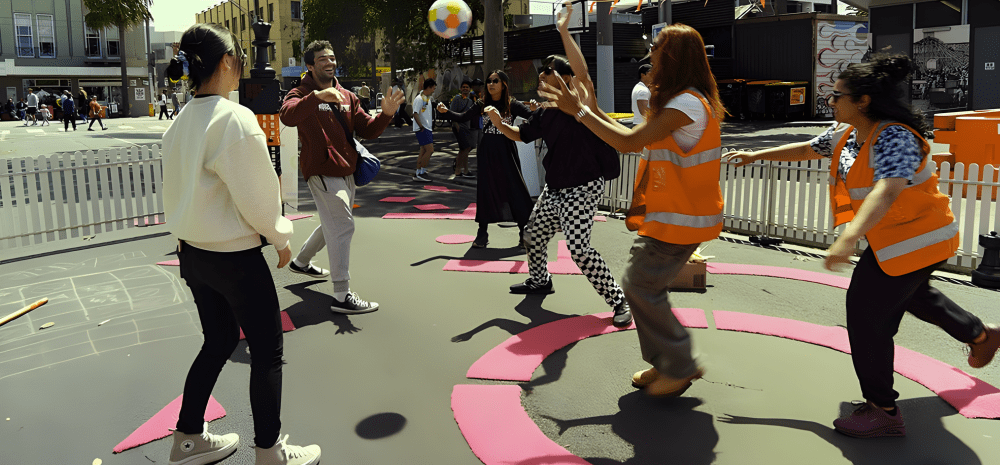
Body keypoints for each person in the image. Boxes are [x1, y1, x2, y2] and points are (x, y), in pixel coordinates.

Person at [723, 54, 1000, 438]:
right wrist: (756, 154)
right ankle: (982, 335)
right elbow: (807, 149)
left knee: (867, 316)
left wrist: (848, 237)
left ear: (863, 100)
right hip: (897, 242)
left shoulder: (894, 137)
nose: (830, 102)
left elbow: (887, 191)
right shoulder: (848, 133)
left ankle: (883, 410)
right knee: (916, 296)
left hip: (917, 241)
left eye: (837, 96)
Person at [161, 24, 322, 465]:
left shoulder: (178, 123)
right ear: (228, 61)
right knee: (267, 350)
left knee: (217, 341)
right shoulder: (234, 118)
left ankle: (188, 439)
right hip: (235, 257)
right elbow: (259, 195)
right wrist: (281, 237)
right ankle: (269, 451)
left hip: (192, 253)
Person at [488, 58, 632, 326]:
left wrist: (566, 33)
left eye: (547, 71)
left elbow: (582, 73)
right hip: (554, 188)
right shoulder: (546, 112)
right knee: (532, 235)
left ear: (566, 79)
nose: (540, 75)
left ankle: (618, 300)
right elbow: (522, 134)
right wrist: (499, 124)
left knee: (579, 248)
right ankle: (540, 280)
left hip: (583, 188)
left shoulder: (582, 104)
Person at [279, 40, 405, 314]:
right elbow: (287, 116)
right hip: (322, 172)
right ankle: (341, 294)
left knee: (332, 223)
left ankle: (301, 262)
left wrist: (385, 115)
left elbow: (367, 130)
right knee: (343, 225)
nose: (329, 62)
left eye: (332, 57)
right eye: (322, 59)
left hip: (348, 171)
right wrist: (315, 98)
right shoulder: (300, 92)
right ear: (310, 66)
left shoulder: (347, 96)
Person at [437, 71, 535, 249]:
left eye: (495, 81)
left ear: (503, 84)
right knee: (485, 190)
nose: (491, 84)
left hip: (507, 150)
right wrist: (446, 112)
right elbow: (463, 117)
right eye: (488, 81)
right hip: (487, 151)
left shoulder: (512, 103)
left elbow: (532, 117)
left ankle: (523, 233)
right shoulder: (482, 103)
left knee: (515, 189)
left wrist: (531, 116)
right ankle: (482, 233)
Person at [446, 80, 476, 178]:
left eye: (467, 87)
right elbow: (451, 113)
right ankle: (464, 171)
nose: (465, 89)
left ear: (470, 89)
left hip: (467, 127)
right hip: (458, 127)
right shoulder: (457, 99)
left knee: (466, 148)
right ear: (460, 88)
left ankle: (459, 169)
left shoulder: (470, 101)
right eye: (463, 87)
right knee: (464, 148)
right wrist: (455, 124)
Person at [411, 78, 436, 182]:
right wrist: (421, 126)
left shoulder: (427, 98)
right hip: (423, 128)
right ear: (429, 87)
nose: (434, 90)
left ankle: (419, 172)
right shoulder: (419, 98)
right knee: (430, 150)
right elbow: (415, 113)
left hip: (426, 127)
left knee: (423, 150)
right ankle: (421, 172)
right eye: (433, 88)